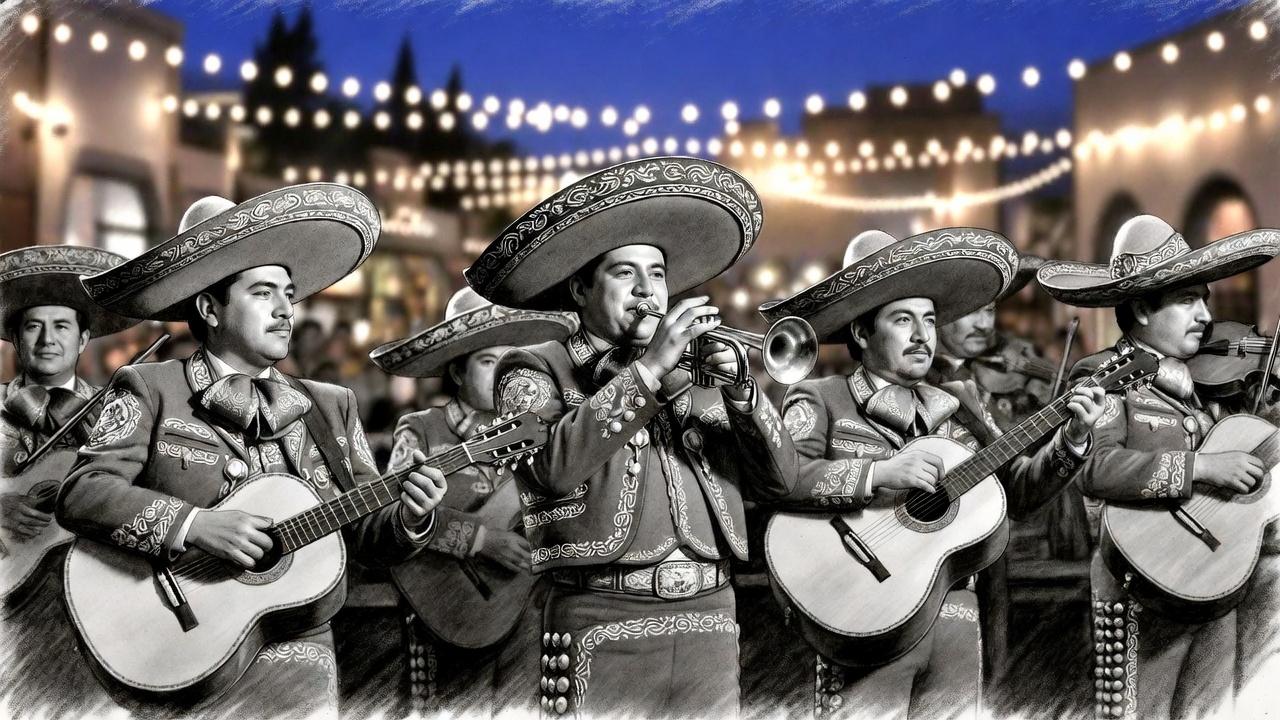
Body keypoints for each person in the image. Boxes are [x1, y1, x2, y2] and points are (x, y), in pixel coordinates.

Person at [57, 184, 449, 717]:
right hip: (180, 655)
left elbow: (368, 538)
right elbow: (81, 493)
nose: (287, 309)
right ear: (209, 308)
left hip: (302, 660)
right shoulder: (151, 387)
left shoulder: (331, 406)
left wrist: (411, 515)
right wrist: (194, 525)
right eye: (263, 293)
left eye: (289, 293)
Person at [467, 156, 794, 718]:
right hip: (600, 615)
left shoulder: (705, 372)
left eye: (659, 275)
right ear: (580, 288)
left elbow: (780, 481)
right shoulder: (532, 368)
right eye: (625, 273)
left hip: (711, 615)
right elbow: (550, 468)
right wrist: (648, 372)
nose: (649, 291)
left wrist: (744, 394)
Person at [756, 227, 1104, 719]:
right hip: (865, 616)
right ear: (861, 332)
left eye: (930, 320)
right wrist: (877, 474)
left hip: (957, 614)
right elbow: (783, 482)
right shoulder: (821, 398)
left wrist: (1071, 441)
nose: (923, 337)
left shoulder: (960, 403)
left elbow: (1016, 495)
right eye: (903, 320)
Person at [1038, 213, 1280, 719]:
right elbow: (1097, 468)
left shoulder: (1201, 386)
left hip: (1214, 576)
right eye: (1188, 299)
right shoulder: (1100, 374)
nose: (1205, 316)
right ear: (1143, 307)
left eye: (1205, 300)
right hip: (1140, 584)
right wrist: (1202, 468)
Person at [370, 286, 576, 716]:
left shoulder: (547, 433)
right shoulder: (422, 429)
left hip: (528, 608)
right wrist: (481, 539)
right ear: (458, 373)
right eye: (488, 362)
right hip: (448, 607)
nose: (503, 374)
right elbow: (392, 513)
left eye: (511, 361)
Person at [0, 245, 138, 718]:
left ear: (82, 341)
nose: (47, 339)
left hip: (93, 598)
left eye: (62, 326)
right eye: (34, 326)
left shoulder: (116, 413)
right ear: (16, 339)